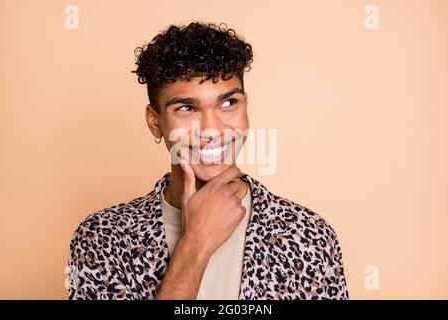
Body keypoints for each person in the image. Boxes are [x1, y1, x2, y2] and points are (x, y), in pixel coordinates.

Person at [67, 22, 349, 300]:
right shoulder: (104, 238)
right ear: (155, 122)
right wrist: (195, 244)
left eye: (228, 103)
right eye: (187, 108)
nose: (212, 130)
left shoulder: (307, 236)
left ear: (245, 106)